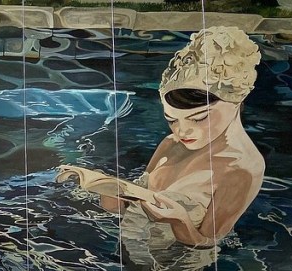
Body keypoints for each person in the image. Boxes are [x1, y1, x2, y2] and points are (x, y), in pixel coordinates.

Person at [101, 27, 265, 258]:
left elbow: (207, 244)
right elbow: (129, 208)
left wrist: (178, 222)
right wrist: (112, 193)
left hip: (172, 267)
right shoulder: (171, 143)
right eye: (171, 120)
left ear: (236, 101)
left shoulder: (242, 168)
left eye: (199, 118)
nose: (183, 131)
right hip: (124, 248)